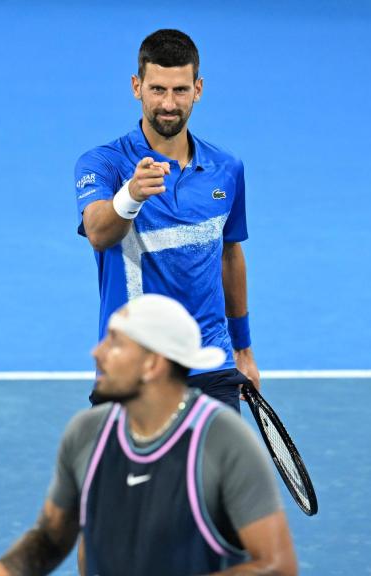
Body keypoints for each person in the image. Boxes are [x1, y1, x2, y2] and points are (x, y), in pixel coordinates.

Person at [0, 294, 297, 576]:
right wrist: (5, 569)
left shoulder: (223, 441)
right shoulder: (86, 433)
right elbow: (50, 537)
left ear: (152, 364)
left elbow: (276, 567)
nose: (97, 353)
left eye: (114, 341)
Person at [75, 29, 258, 411]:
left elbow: (229, 254)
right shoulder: (103, 163)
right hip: (131, 367)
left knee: (213, 473)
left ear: (198, 89)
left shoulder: (227, 168)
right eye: (157, 89)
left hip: (210, 363)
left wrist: (243, 348)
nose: (169, 104)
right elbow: (97, 232)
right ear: (136, 86)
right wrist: (131, 196)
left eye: (180, 90)